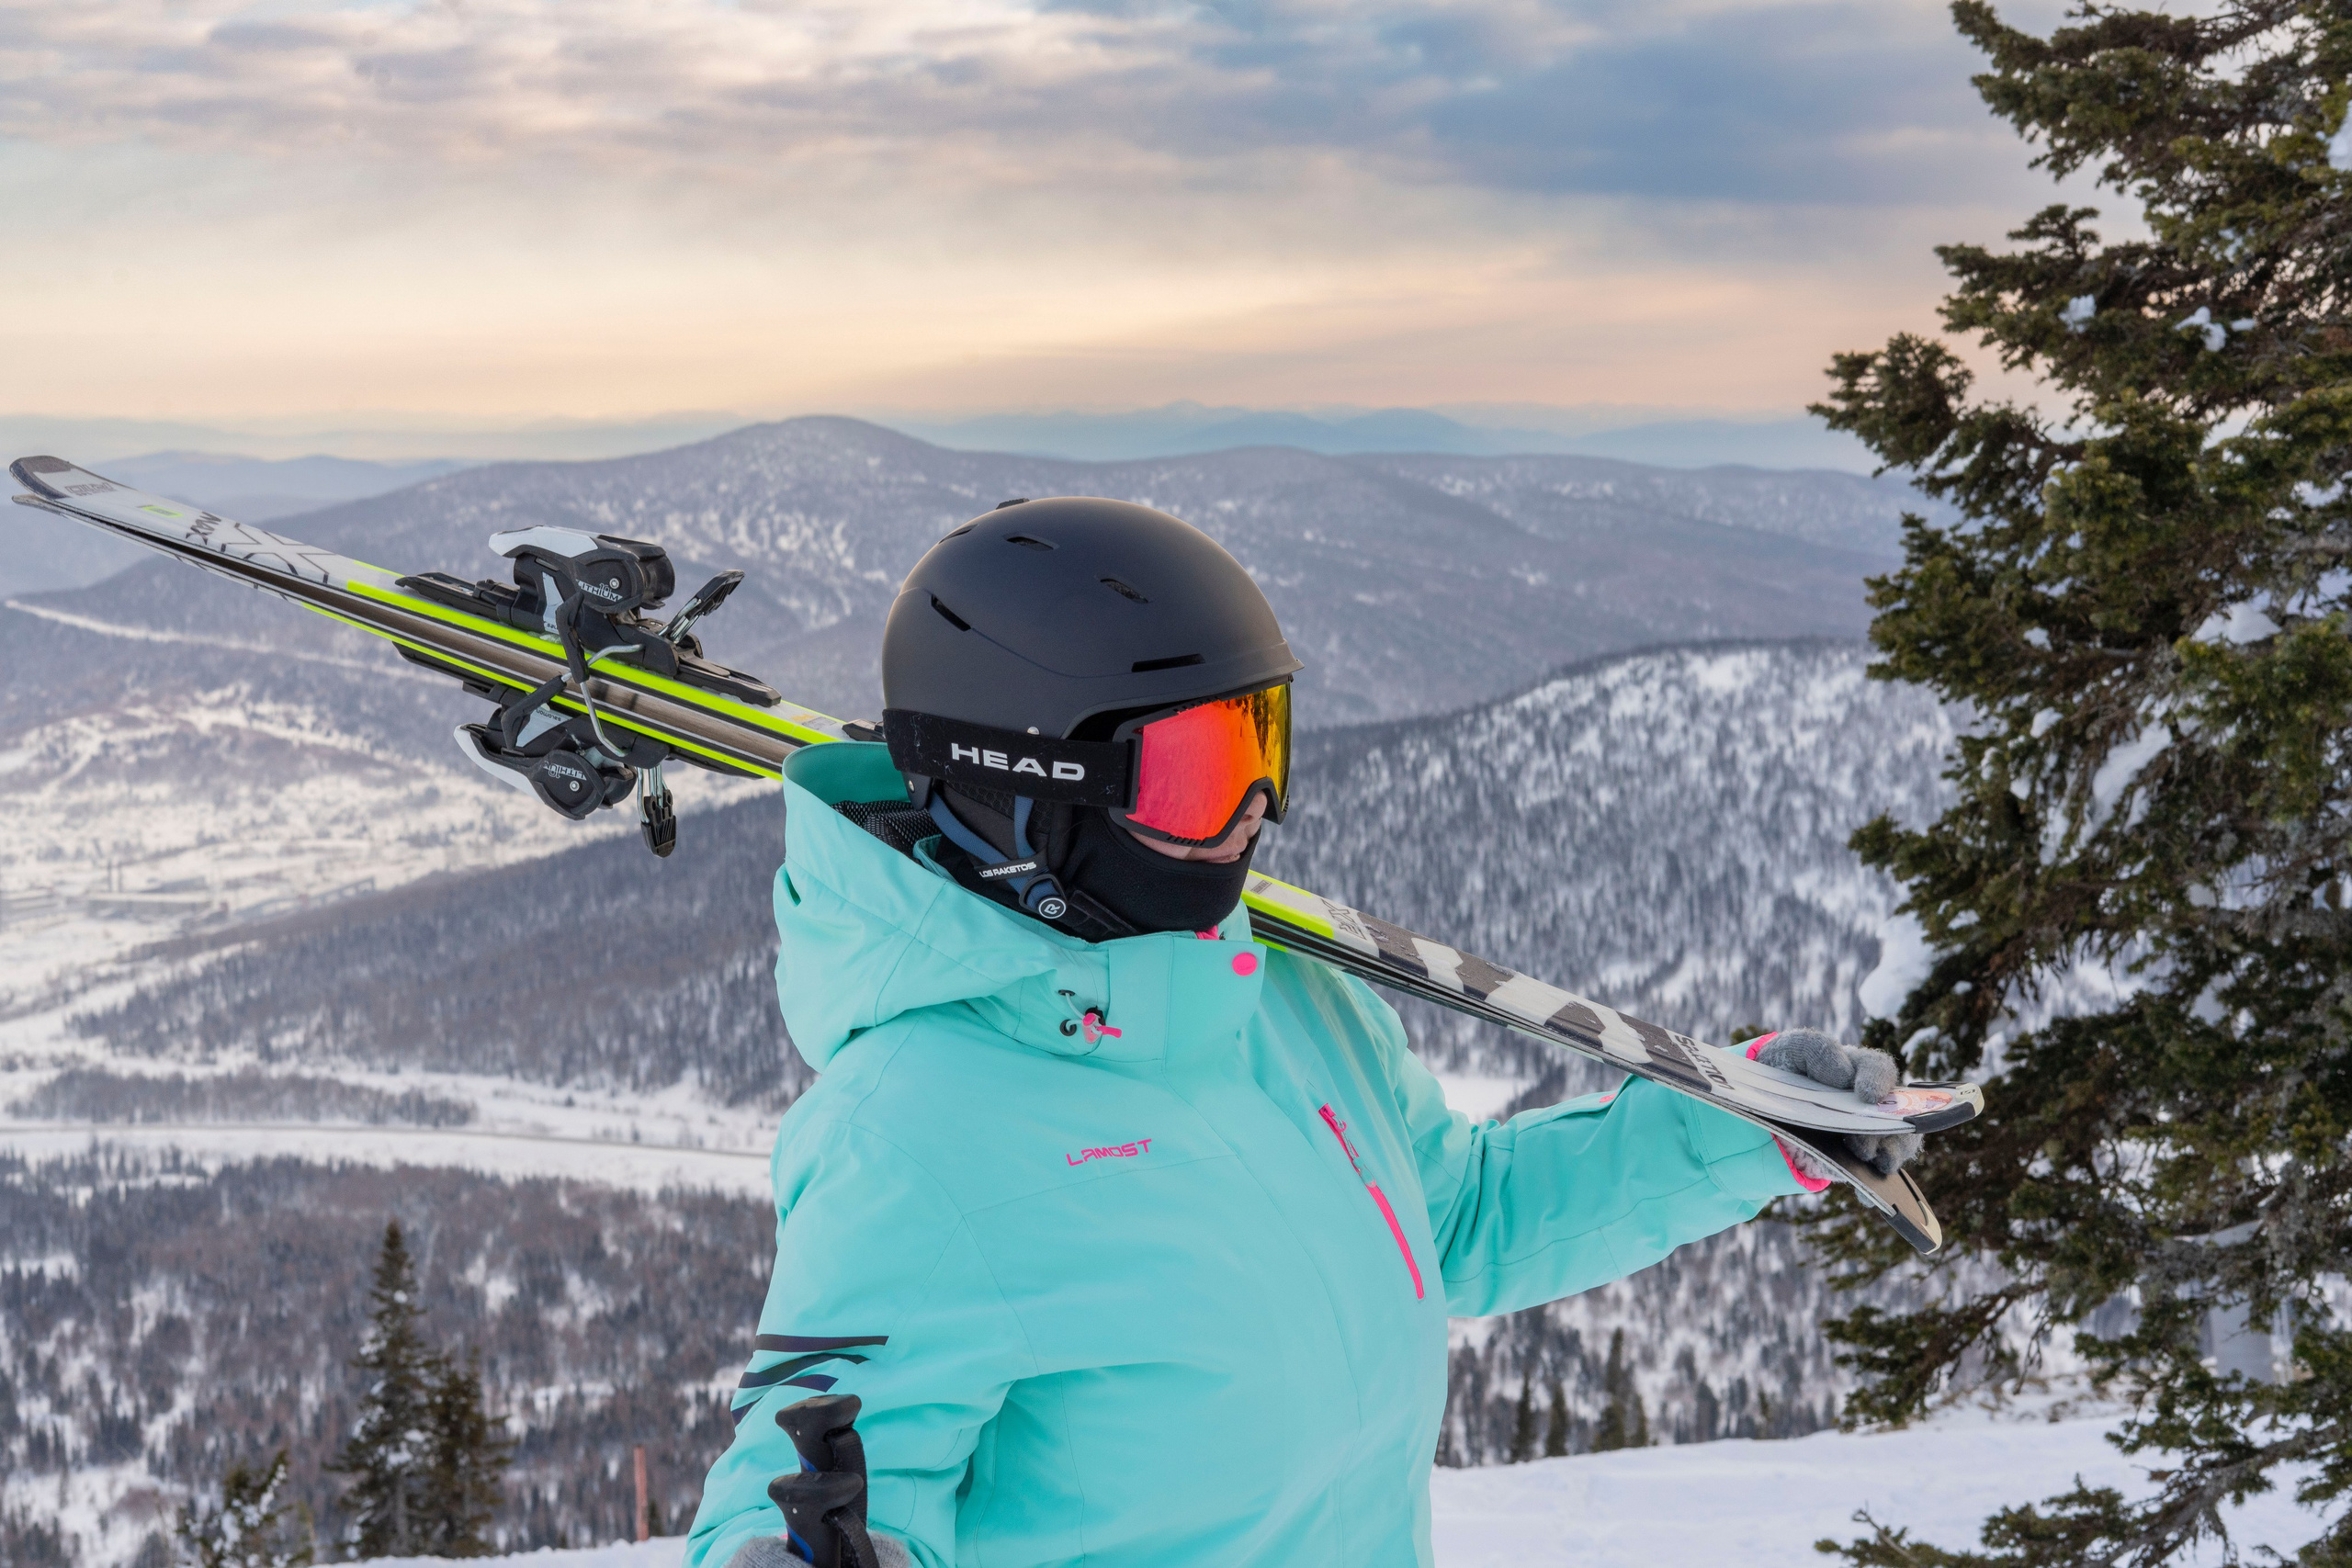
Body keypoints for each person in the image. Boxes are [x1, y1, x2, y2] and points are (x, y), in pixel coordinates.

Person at [686, 498, 1916, 1568]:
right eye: (1198, 771)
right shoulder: (912, 1130)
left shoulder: (1286, 1000)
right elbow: (806, 1469)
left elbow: (1461, 1222)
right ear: (1034, 789)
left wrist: (1743, 1131)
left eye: (1261, 745)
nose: (1253, 815)